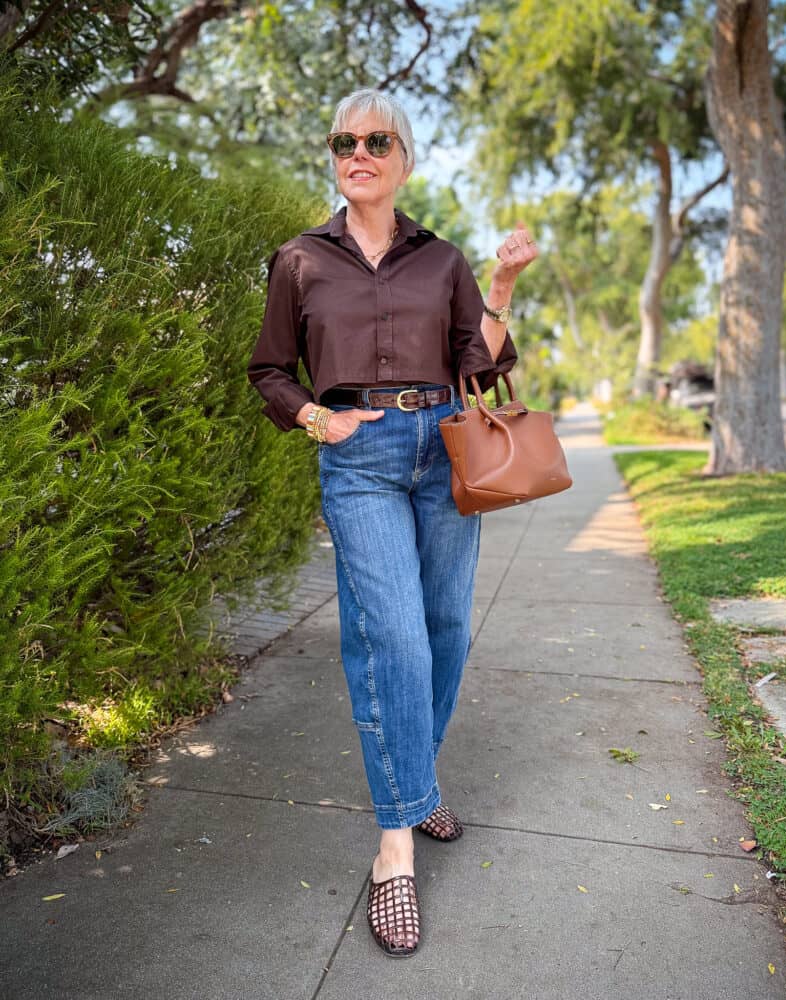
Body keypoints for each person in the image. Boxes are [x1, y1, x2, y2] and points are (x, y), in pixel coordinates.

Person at [247, 88, 537, 958]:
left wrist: (504, 289)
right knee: (395, 643)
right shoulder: (299, 260)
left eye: (377, 139)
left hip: (443, 449)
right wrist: (316, 419)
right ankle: (395, 849)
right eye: (344, 140)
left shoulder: (442, 259)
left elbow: (479, 369)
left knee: (447, 628)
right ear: (334, 159)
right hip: (363, 461)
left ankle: (417, 779)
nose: (358, 151)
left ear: (405, 158)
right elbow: (269, 370)